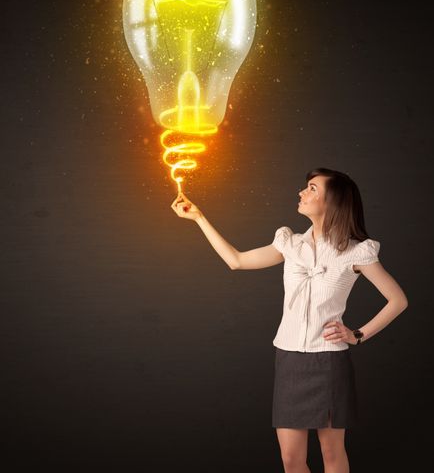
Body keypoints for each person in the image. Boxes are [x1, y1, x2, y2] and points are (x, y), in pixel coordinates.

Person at [171, 167, 408, 473]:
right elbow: (236, 260)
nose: (301, 193)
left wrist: (358, 334)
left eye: (311, 188)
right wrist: (199, 218)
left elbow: (398, 300)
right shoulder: (289, 243)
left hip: (329, 363)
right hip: (290, 361)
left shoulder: (356, 252)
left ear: (333, 200)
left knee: (332, 454)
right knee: (291, 460)